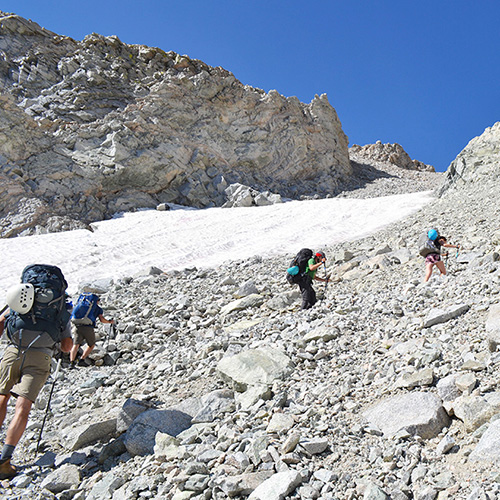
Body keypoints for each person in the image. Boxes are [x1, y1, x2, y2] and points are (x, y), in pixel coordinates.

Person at [0, 299, 73, 479]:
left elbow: (2, 322)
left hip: (13, 352)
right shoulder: (60, 307)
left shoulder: (22, 298)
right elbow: (66, 347)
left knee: (2, 397)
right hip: (41, 357)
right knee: (22, 407)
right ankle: (4, 462)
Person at [69, 297, 114, 369]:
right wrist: (109, 322)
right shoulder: (98, 309)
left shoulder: (82, 306)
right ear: (97, 301)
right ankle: (82, 360)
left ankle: (71, 363)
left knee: (76, 344)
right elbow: (101, 319)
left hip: (77, 326)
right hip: (88, 328)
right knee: (91, 345)